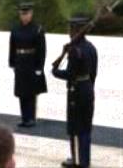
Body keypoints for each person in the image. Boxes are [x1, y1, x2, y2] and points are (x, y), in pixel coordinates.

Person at [52, 15, 98, 168]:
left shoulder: (75, 51)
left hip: (76, 92)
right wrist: (88, 86)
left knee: (76, 128)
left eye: (70, 29)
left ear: (75, 30)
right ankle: (85, 160)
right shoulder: (91, 47)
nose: (69, 31)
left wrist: (55, 71)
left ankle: (78, 161)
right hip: (88, 89)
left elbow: (70, 74)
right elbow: (93, 73)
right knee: (86, 127)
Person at [8, 1, 47, 128]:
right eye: (22, 14)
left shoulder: (37, 29)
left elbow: (42, 50)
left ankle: (31, 118)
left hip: (32, 62)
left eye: (27, 13)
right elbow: (12, 47)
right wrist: (12, 62)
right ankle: (24, 117)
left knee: (31, 92)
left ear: (31, 14)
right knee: (21, 92)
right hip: (20, 62)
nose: (24, 16)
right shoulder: (15, 29)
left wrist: (39, 67)